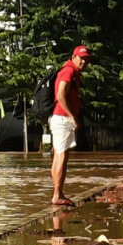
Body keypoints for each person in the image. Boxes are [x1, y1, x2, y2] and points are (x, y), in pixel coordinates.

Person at [46, 44, 91, 208]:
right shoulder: (69, 71)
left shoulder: (72, 71)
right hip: (63, 119)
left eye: (86, 60)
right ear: (73, 57)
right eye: (81, 58)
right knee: (62, 157)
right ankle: (57, 194)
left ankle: (58, 193)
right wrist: (73, 117)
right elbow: (60, 95)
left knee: (59, 155)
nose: (84, 62)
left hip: (60, 118)